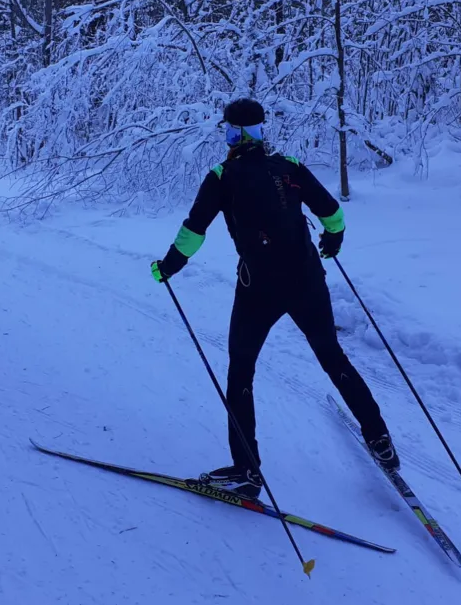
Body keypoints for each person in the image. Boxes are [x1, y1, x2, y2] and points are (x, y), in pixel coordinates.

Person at [151, 98, 399, 499]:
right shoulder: (290, 167)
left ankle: (247, 471)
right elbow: (332, 212)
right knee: (332, 357)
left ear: (232, 135)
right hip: (307, 281)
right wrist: (332, 240)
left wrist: (168, 267)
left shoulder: (221, 176)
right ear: (261, 132)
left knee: (241, 371)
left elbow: (194, 231)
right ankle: (379, 437)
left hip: (259, 290)